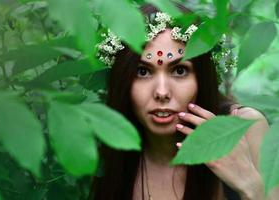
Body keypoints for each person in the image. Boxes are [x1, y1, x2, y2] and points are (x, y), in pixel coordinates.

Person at [91, 3, 278, 200]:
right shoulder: (108, 149)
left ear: (202, 77)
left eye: (179, 71)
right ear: (122, 80)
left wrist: (252, 189)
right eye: (143, 71)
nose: (162, 92)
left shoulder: (244, 128)